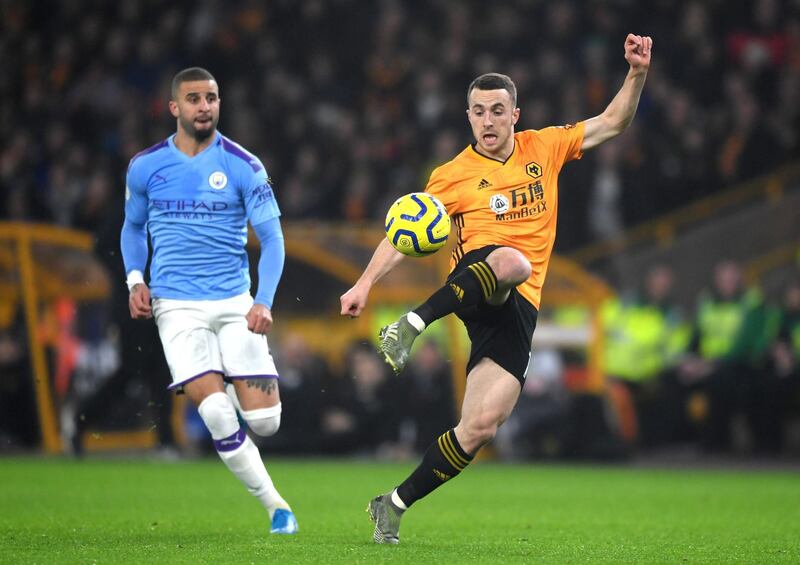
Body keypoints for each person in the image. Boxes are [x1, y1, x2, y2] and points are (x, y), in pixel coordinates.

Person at [340, 34, 653, 544]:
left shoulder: (545, 146)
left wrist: (637, 73)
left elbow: (613, 122)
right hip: (479, 283)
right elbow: (401, 235)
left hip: (519, 307)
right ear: (468, 117)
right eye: (478, 111)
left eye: (497, 110)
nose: (488, 120)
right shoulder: (451, 176)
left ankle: (393, 505)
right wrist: (365, 282)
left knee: (481, 425)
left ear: (515, 114)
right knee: (511, 260)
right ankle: (411, 325)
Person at [120, 67, 298, 534]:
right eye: (195, 99)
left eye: (212, 98)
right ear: (175, 107)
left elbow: (273, 239)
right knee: (216, 411)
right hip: (174, 305)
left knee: (266, 423)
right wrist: (135, 279)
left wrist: (263, 301)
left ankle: (238, 383)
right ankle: (277, 507)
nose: (205, 106)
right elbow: (133, 227)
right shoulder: (146, 166)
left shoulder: (244, 165)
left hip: (235, 302)